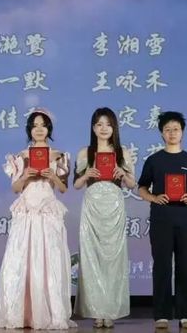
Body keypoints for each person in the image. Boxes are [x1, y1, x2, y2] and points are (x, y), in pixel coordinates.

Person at [0, 109, 76, 329]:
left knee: (50, 259)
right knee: (22, 258)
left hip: (48, 210)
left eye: (43, 125)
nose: (39, 129)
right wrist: (25, 176)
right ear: (29, 129)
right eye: (35, 125)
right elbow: (15, 188)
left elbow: (63, 189)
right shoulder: (21, 156)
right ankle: (22, 314)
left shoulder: (58, 156)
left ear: (49, 129)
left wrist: (53, 177)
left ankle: (50, 313)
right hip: (26, 211)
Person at [137, 111, 187, 330]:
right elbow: (141, 187)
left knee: (186, 266)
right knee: (162, 266)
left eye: (176, 129)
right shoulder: (154, 160)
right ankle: (162, 314)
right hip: (161, 219)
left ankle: (186, 313)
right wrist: (154, 198)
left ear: (182, 132)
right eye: (167, 130)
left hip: (185, 219)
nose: (172, 133)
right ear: (161, 133)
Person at [73, 107, 136, 328]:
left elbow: (132, 184)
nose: (104, 128)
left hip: (114, 206)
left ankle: (110, 310)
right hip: (92, 206)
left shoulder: (122, 152)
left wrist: (123, 173)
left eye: (108, 124)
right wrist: (86, 175)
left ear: (114, 127)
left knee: (113, 258)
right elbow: (76, 184)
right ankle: (96, 311)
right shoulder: (85, 152)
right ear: (93, 128)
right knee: (92, 258)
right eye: (99, 124)